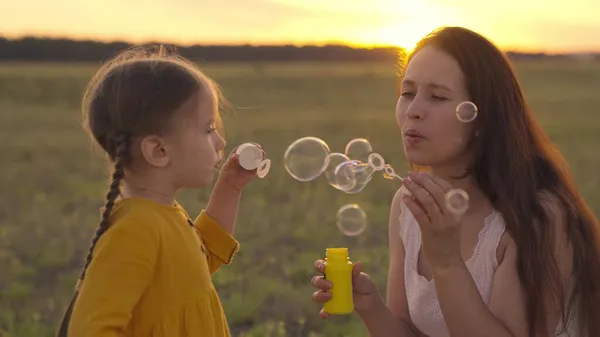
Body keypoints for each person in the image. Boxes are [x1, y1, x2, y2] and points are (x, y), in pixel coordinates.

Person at [310, 26, 600, 337]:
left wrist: (446, 260)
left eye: (437, 97)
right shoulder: (408, 206)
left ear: (481, 118)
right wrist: (370, 306)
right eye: (407, 93)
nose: (413, 110)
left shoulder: (536, 217)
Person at [55, 45, 264, 337]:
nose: (219, 141)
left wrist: (230, 188)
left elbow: (200, 262)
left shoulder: (161, 214)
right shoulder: (136, 231)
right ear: (159, 150)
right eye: (208, 129)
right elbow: (89, 329)